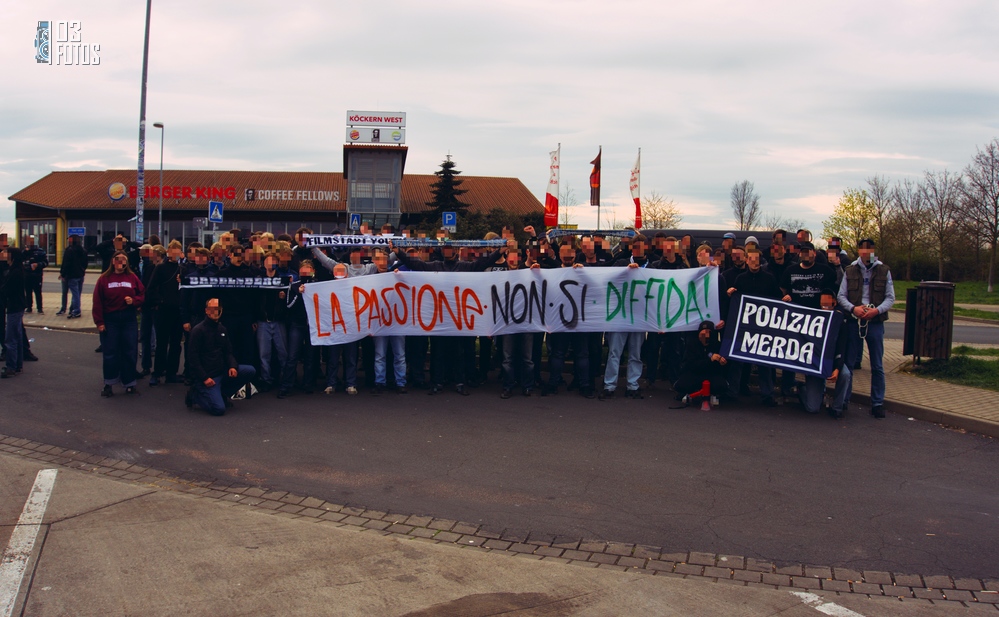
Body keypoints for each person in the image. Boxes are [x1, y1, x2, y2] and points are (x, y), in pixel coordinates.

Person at [838, 238, 895, 418]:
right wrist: (853, 308)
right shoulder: (850, 270)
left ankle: (877, 403)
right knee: (849, 363)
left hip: (875, 322)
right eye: (862, 249)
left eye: (869, 249)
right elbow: (841, 296)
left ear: (873, 250)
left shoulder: (884, 270)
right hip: (855, 321)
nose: (865, 252)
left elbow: (890, 297)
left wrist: (877, 311)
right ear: (858, 251)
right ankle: (844, 400)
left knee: (877, 365)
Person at [600, 234, 651, 400]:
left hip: (639, 317)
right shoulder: (622, 263)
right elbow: (608, 278)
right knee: (615, 352)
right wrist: (625, 271)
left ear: (646, 248)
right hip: (620, 316)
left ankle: (633, 385)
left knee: (636, 354)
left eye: (641, 247)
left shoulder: (652, 266)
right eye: (635, 247)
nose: (638, 250)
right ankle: (609, 385)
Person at [186, 298, 257, 416]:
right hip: (207, 377)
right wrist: (204, 378)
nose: (216, 312)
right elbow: (193, 358)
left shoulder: (222, 329)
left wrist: (233, 366)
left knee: (250, 370)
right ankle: (196, 395)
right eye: (212, 309)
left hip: (221, 372)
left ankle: (223, 394)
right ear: (206, 311)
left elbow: (228, 352)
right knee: (219, 409)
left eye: (218, 309)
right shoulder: (198, 330)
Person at [93, 251, 144, 396]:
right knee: (111, 352)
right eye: (118, 259)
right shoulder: (104, 279)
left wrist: (134, 301)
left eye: (124, 260)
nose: (121, 263)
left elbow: (141, 294)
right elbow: (97, 301)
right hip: (111, 319)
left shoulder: (132, 277)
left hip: (128, 319)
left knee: (129, 351)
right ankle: (109, 383)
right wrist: (99, 322)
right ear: (113, 261)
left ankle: (129, 383)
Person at [673, 320, 727, 405]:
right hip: (695, 374)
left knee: (721, 385)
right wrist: (709, 360)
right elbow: (690, 365)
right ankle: (690, 392)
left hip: (711, 375)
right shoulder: (692, 345)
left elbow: (720, 369)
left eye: (708, 333)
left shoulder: (717, 345)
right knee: (681, 385)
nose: (706, 336)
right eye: (703, 333)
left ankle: (713, 393)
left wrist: (721, 362)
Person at [1, 248, 25, 378]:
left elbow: (7, 289)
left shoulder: (14, 272)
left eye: (6, 253)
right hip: (17, 306)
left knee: (11, 338)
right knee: (17, 336)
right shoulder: (15, 270)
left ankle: (11, 366)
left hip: (14, 307)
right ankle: (17, 365)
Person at [59, 234, 88, 318]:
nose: (68, 240)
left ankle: (75, 310)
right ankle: (73, 309)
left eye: (69, 239)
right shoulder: (83, 250)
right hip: (80, 274)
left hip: (71, 275)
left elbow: (66, 263)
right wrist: (82, 270)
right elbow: (85, 263)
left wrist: (63, 273)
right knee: (77, 293)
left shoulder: (69, 250)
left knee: (70, 293)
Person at [22, 235, 48, 314]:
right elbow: (21, 262)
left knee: (38, 292)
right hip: (27, 275)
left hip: (37, 275)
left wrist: (38, 264)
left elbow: (45, 263)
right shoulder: (24, 252)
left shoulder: (40, 252)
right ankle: (29, 307)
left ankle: (39, 308)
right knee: (28, 292)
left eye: (32, 241)